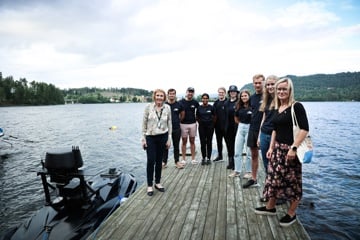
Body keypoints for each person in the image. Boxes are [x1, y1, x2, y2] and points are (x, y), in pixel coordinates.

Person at [254, 77, 309, 227]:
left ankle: (291, 213)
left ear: (290, 90)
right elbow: (275, 130)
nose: (281, 91)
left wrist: (293, 148)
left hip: (291, 151)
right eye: (279, 89)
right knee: (273, 179)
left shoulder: (296, 107)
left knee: (293, 182)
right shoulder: (278, 107)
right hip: (278, 149)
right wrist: (271, 147)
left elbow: (304, 129)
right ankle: (270, 208)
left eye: (284, 89)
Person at [141, 89, 172, 196]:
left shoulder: (167, 108)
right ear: (154, 96)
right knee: (151, 160)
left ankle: (157, 182)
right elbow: (144, 124)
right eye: (157, 95)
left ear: (164, 97)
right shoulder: (148, 108)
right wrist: (143, 138)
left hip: (163, 137)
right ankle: (149, 185)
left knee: (159, 161)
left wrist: (169, 138)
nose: (159, 97)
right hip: (150, 137)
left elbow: (169, 123)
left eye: (161, 96)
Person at [257, 75, 279, 202]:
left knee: (276, 166)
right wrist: (260, 135)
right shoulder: (266, 100)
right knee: (266, 166)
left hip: (276, 136)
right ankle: (270, 192)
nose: (270, 87)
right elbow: (264, 118)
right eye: (268, 85)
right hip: (264, 134)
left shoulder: (281, 99)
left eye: (272, 84)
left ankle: (278, 195)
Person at [243, 74, 265, 188]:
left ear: (263, 82)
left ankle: (270, 182)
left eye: (259, 82)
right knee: (254, 155)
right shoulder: (252, 98)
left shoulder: (268, 96)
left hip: (265, 130)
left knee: (268, 157)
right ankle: (254, 179)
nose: (257, 85)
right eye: (255, 83)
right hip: (253, 129)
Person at [229, 89, 252, 177]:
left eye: (245, 95)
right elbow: (236, 118)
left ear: (249, 96)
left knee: (249, 152)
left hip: (250, 128)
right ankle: (237, 171)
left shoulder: (252, 107)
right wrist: (241, 125)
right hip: (240, 127)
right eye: (242, 96)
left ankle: (249, 171)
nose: (243, 97)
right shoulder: (238, 106)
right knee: (237, 151)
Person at [162, 88, 184, 169]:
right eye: (170, 94)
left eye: (173, 93)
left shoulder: (179, 105)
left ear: (175, 95)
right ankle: (164, 162)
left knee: (176, 146)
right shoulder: (164, 105)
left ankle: (177, 161)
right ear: (168, 95)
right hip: (166, 129)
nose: (172, 95)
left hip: (176, 128)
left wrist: (177, 121)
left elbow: (182, 115)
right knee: (165, 146)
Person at [179, 87, 200, 164]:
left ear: (193, 93)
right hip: (183, 124)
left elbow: (199, 112)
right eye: (189, 92)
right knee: (184, 141)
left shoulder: (195, 102)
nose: (190, 93)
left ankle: (193, 159)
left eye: (192, 92)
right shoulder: (180, 102)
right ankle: (183, 159)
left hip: (193, 124)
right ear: (186, 92)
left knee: (192, 141)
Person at [196, 93, 215, 165]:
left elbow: (215, 116)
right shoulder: (199, 108)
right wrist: (201, 123)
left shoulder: (211, 107)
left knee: (209, 142)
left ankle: (209, 158)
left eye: (206, 98)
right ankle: (203, 158)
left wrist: (211, 123)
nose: (205, 99)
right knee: (202, 143)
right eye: (203, 98)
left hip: (210, 127)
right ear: (202, 99)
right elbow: (197, 117)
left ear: (208, 99)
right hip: (202, 127)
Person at [224, 85, 239, 170]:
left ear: (237, 93)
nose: (232, 93)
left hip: (236, 127)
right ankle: (230, 162)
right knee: (229, 145)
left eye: (234, 91)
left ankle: (236, 163)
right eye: (231, 92)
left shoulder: (239, 102)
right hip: (228, 127)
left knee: (236, 146)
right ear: (229, 93)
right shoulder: (226, 103)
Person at [213, 87, 227, 162]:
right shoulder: (216, 103)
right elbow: (213, 115)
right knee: (219, 142)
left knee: (228, 142)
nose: (221, 94)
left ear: (225, 93)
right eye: (219, 92)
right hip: (218, 126)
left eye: (222, 92)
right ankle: (220, 155)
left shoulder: (228, 102)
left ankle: (231, 157)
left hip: (226, 127)